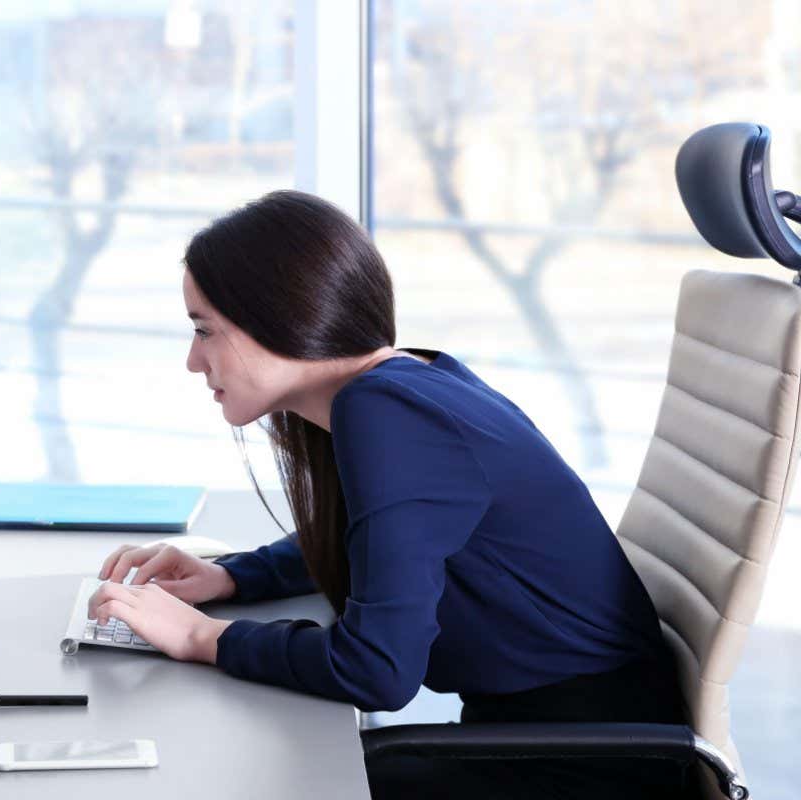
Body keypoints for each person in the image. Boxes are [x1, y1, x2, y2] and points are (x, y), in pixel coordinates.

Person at [87, 189, 694, 799]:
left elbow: (376, 670)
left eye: (204, 331)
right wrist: (233, 578)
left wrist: (200, 637)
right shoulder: (406, 384)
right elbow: (384, 534)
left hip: (587, 767)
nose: (194, 361)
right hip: (561, 737)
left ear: (280, 315)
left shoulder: (389, 415)